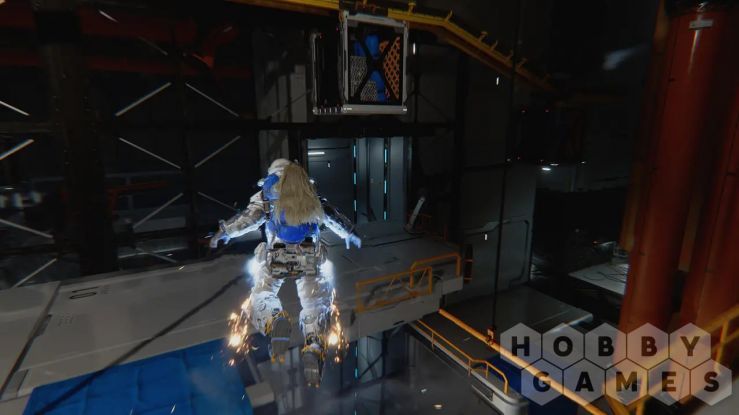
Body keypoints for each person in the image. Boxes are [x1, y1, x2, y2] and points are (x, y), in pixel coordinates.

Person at [210, 159, 361, 385]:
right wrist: (349, 234)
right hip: (309, 255)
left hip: (278, 255)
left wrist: (224, 232)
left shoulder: (266, 194)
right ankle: (314, 346)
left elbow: (248, 219)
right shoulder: (307, 190)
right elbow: (331, 215)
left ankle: (274, 320)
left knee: (262, 293)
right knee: (315, 304)